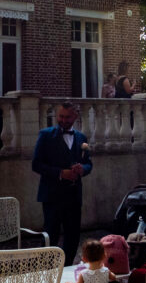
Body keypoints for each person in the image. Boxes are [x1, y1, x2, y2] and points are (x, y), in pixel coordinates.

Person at [32, 101, 93, 265]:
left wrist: (83, 169)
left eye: (68, 117)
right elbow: (36, 164)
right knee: (50, 235)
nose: (64, 120)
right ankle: (46, 271)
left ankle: (66, 269)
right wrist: (60, 173)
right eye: (61, 116)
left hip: (73, 196)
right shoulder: (45, 135)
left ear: (75, 116)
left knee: (73, 236)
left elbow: (89, 164)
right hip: (52, 195)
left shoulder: (81, 137)